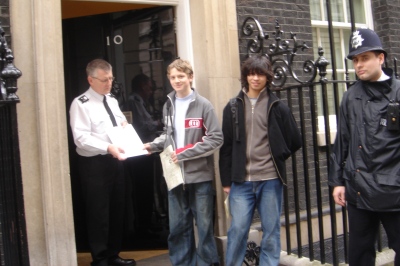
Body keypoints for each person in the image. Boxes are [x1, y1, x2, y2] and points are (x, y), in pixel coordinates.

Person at [219, 55, 302, 266]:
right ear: (246, 76)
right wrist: (226, 181)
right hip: (241, 180)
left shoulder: (277, 106)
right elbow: (226, 146)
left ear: (267, 77)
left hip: (270, 179)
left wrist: (278, 155)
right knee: (237, 230)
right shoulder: (232, 107)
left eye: (260, 74)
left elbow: (295, 139)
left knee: (271, 230)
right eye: (251, 73)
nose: (255, 78)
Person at [329, 28, 400, 266]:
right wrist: (338, 181)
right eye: (356, 59)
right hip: (358, 189)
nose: (359, 64)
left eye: (365, 58)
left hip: (394, 189)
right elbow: (343, 141)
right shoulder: (350, 96)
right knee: (359, 254)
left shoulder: (398, 92)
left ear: (381, 58)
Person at [144, 58, 222, 266]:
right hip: (175, 177)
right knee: (178, 228)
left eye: (181, 76)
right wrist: (152, 145)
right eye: (173, 77)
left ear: (190, 77)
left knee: (204, 228)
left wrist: (185, 153)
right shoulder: (168, 104)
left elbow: (216, 138)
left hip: (200, 177)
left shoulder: (204, 105)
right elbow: (168, 135)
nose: (177, 80)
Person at [69, 59, 136, 266]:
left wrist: (126, 129)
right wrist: (108, 148)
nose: (109, 83)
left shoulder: (112, 100)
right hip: (95, 165)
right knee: (98, 213)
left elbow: (118, 125)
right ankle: (100, 259)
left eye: (111, 78)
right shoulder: (80, 104)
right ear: (91, 79)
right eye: (104, 79)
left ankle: (113, 255)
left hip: (116, 162)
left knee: (117, 209)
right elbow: (81, 138)